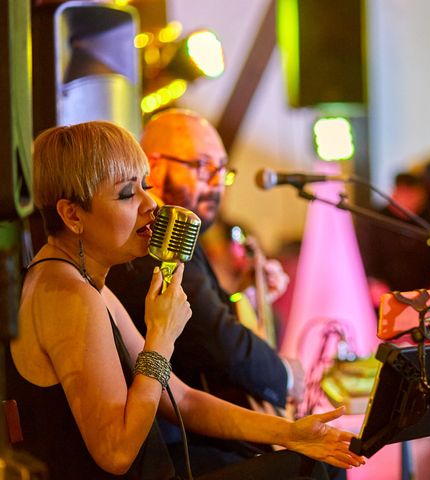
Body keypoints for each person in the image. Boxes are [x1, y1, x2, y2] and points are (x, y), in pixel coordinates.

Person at [7, 121, 364, 479]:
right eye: (128, 194)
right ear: (72, 215)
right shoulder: (67, 295)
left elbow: (184, 399)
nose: (151, 204)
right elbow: (116, 454)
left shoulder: (86, 283)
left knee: (318, 462)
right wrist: (160, 337)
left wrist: (291, 433)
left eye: (146, 186)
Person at [105, 109, 308, 473]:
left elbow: (195, 332)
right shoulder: (152, 245)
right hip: (165, 446)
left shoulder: (179, 239)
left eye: (222, 171)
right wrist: (286, 377)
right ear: (152, 165)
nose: (217, 183)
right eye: (203, 167)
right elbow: (215, 341)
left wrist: (238, 292)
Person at [355, 172, 430, 309]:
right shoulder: (375, 220)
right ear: (395, 193)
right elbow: (365, 255)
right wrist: (373, 281)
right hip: (383, 296)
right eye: (406, 194)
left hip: (422, 297)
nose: (411, 200)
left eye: (414, 195)